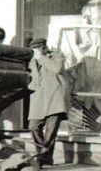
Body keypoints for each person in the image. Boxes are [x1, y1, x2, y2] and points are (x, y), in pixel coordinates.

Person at [27, 37, 71, 168]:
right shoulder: (30, 60)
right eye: (34, 50)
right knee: (33, 126)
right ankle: (42, 155)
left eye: (38, 49)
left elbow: (57, 69)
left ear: (44, 47)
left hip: (54, 98)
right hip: (38, 98)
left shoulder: (57, 56)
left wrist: (41, 57)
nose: (36, 52)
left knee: (50, 131)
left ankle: (45, 160)